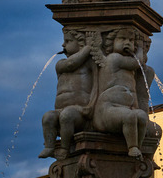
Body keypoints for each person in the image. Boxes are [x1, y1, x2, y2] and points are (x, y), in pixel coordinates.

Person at [93, 28, 151, 157]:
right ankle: (132, 147)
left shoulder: (129, 68)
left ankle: (138, 147)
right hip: (107, 109)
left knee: (141, 116)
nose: (128, 43)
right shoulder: (114, 58)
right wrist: (140, 48)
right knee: (129, 117)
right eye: (122, 39)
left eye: (131, 40)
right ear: (110, 43)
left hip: (125, 108)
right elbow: (137, 62)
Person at [40, 28, 94, 158]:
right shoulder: (61, 64)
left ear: (80, 43)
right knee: (48, 117)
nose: (63, 45)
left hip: (81, 111)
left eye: (68, 41)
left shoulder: (89, 65)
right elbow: (71, 64)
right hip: (60, 109)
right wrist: (88, 48)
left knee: (67, 116)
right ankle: (49, 146)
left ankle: (65, 148)